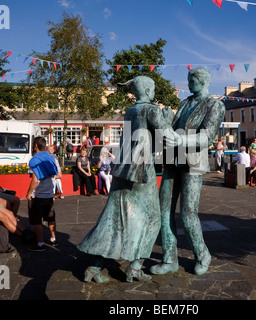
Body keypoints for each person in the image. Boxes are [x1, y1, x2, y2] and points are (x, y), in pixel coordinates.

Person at [78, 75, 179, 283]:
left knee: (115, 218)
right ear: (149, 91)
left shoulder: (130, 110)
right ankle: (134, 268)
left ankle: (95, 267)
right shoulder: (152, 110)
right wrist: (168, 120)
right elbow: (168, 136)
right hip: (142, 171)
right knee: (152, 219)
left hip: (123, 169)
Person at [150, 68, 225, 276]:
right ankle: (169, 259)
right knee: (163, 211)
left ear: (201, 80)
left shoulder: (215, 105)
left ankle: (202, 255)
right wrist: (166, 121)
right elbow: (173, 131)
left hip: (193, 163)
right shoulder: (184, 103)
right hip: (173, 160)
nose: (188, 84)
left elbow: (207, 137)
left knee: (187, 213)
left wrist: (182, 139)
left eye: (191, 80)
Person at [26, 137, 60, 251]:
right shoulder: (51, 157)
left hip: (39, 195)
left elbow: (35, 180)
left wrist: (29, 193)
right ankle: (53, 239)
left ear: (35, 146)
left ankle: (40, 244)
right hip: (49, 193)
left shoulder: (34, 160)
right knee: (51, 217)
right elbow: (57, 174)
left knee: (37, 220)